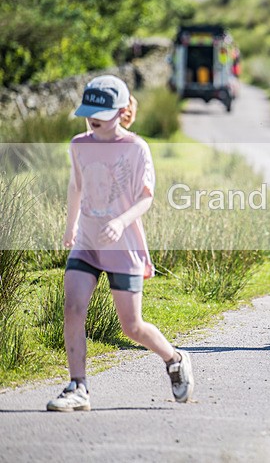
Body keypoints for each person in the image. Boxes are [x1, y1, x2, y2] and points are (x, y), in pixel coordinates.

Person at [47, 75, 194, 412]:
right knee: (73, 308)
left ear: (121, 111)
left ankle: (174, 359)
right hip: (86, 241)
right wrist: (70, 228)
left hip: (122, 244)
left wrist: (119, 221)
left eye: (100, 114)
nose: (92, 120)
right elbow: (75, 187)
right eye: (89, 114)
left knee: (132, 327)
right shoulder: (79, 143)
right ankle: (77, 387)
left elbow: (145, 198)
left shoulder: (136, 148)